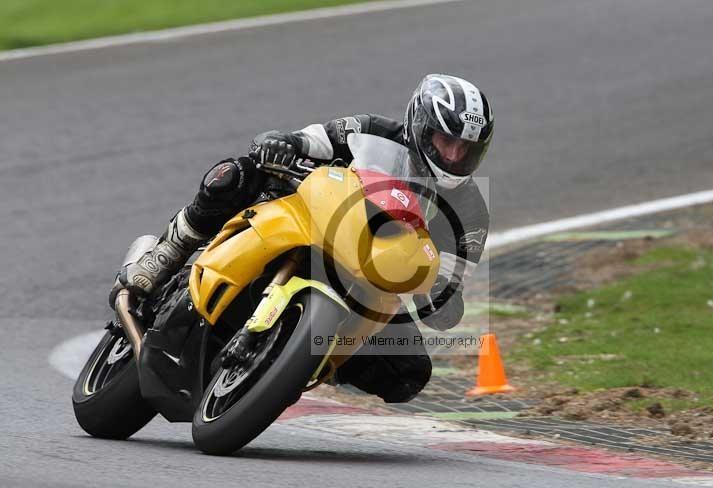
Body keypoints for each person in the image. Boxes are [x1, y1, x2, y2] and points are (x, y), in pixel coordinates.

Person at [114, 74, 494, 403]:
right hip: (313, 220)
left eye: (467, 150)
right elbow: (310, 140)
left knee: (408, 371)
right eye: (446, 142)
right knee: (236, 174)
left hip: (369, 279)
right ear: (420, 125)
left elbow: (451, 281)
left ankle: (297, 359)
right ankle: (168, 252)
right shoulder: (371, 131)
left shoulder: (470, 211)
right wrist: (282, 144)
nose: (455, 156)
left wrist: (442, 298)